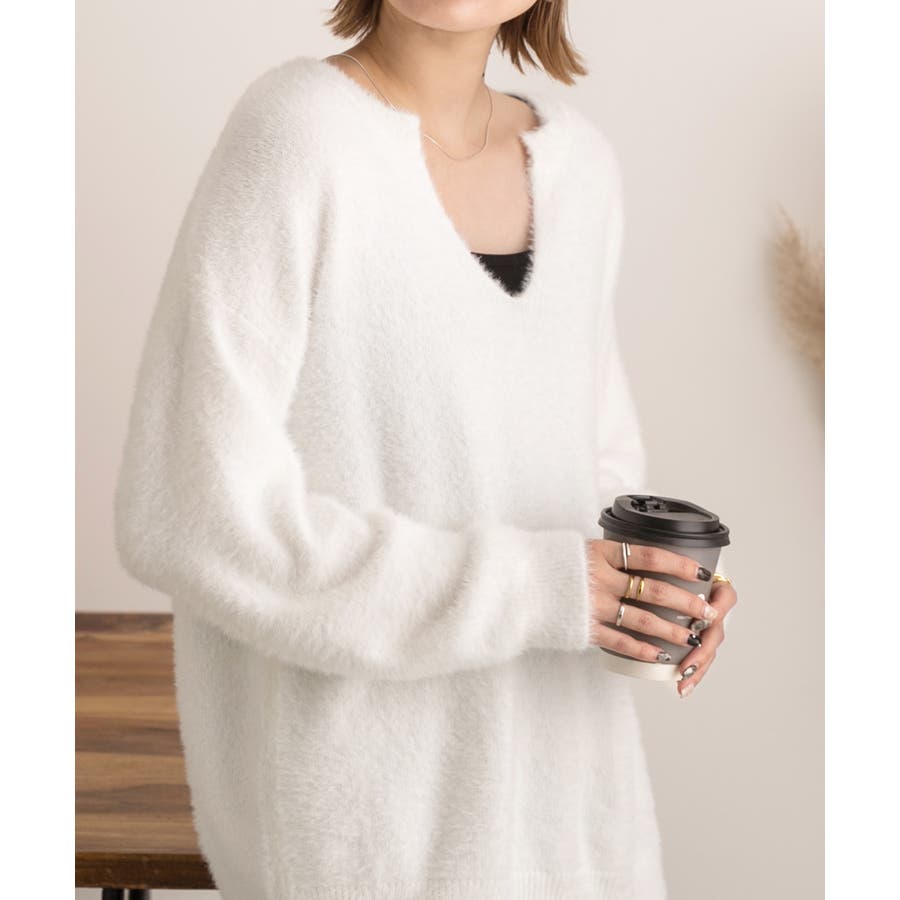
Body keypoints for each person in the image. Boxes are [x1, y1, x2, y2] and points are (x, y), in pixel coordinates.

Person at [113, 1, 738, 897]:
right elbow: (189, 511)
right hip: (374, 840)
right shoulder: (298, 135)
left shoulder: (582, 169)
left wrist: (653, 594)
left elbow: (591, 485)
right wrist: (546, 588)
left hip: (577, 835)